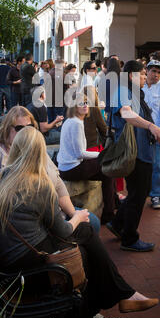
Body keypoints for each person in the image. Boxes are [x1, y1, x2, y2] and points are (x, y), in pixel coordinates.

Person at [0, 126, 159, 316]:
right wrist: (78, 217)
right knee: (85, 235)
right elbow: (63, 231)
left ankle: (118, 298)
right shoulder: (40, 186)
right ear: (40, 151)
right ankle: (115, 299)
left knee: (85, 241)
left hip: (4, 263)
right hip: (28, 271)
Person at [106, 60, 160, 252]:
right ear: (131, 75)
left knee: (139, 192)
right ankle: (130, 238)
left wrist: (155, 130)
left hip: (142, 150)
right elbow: (126, 113)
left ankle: (117, 224)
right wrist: (150, 126)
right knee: (138, 195)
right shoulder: (123, 92)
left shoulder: (134, 92)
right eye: (141, 73)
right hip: (134, 153)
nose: (145, 76)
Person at [57, 92, 115, 224]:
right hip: (72, 169)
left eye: (86, 102)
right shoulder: (77, 123)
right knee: (108, 169)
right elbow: (79, 153)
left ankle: (112, 208)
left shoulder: (69, 121)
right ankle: (110, 214)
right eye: (81, 103)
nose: (85, 106)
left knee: (106, 173)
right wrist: (101, 155)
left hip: (66, 167)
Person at [143, 60, 160, 209]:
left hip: (159, 132)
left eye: (159, 72)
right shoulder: (140, 86)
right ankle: (142, 193)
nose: (156, 75)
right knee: (142, 164)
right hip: (142, 131)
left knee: (158, 165)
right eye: (153, 71)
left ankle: (156, 195)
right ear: (147, 70)